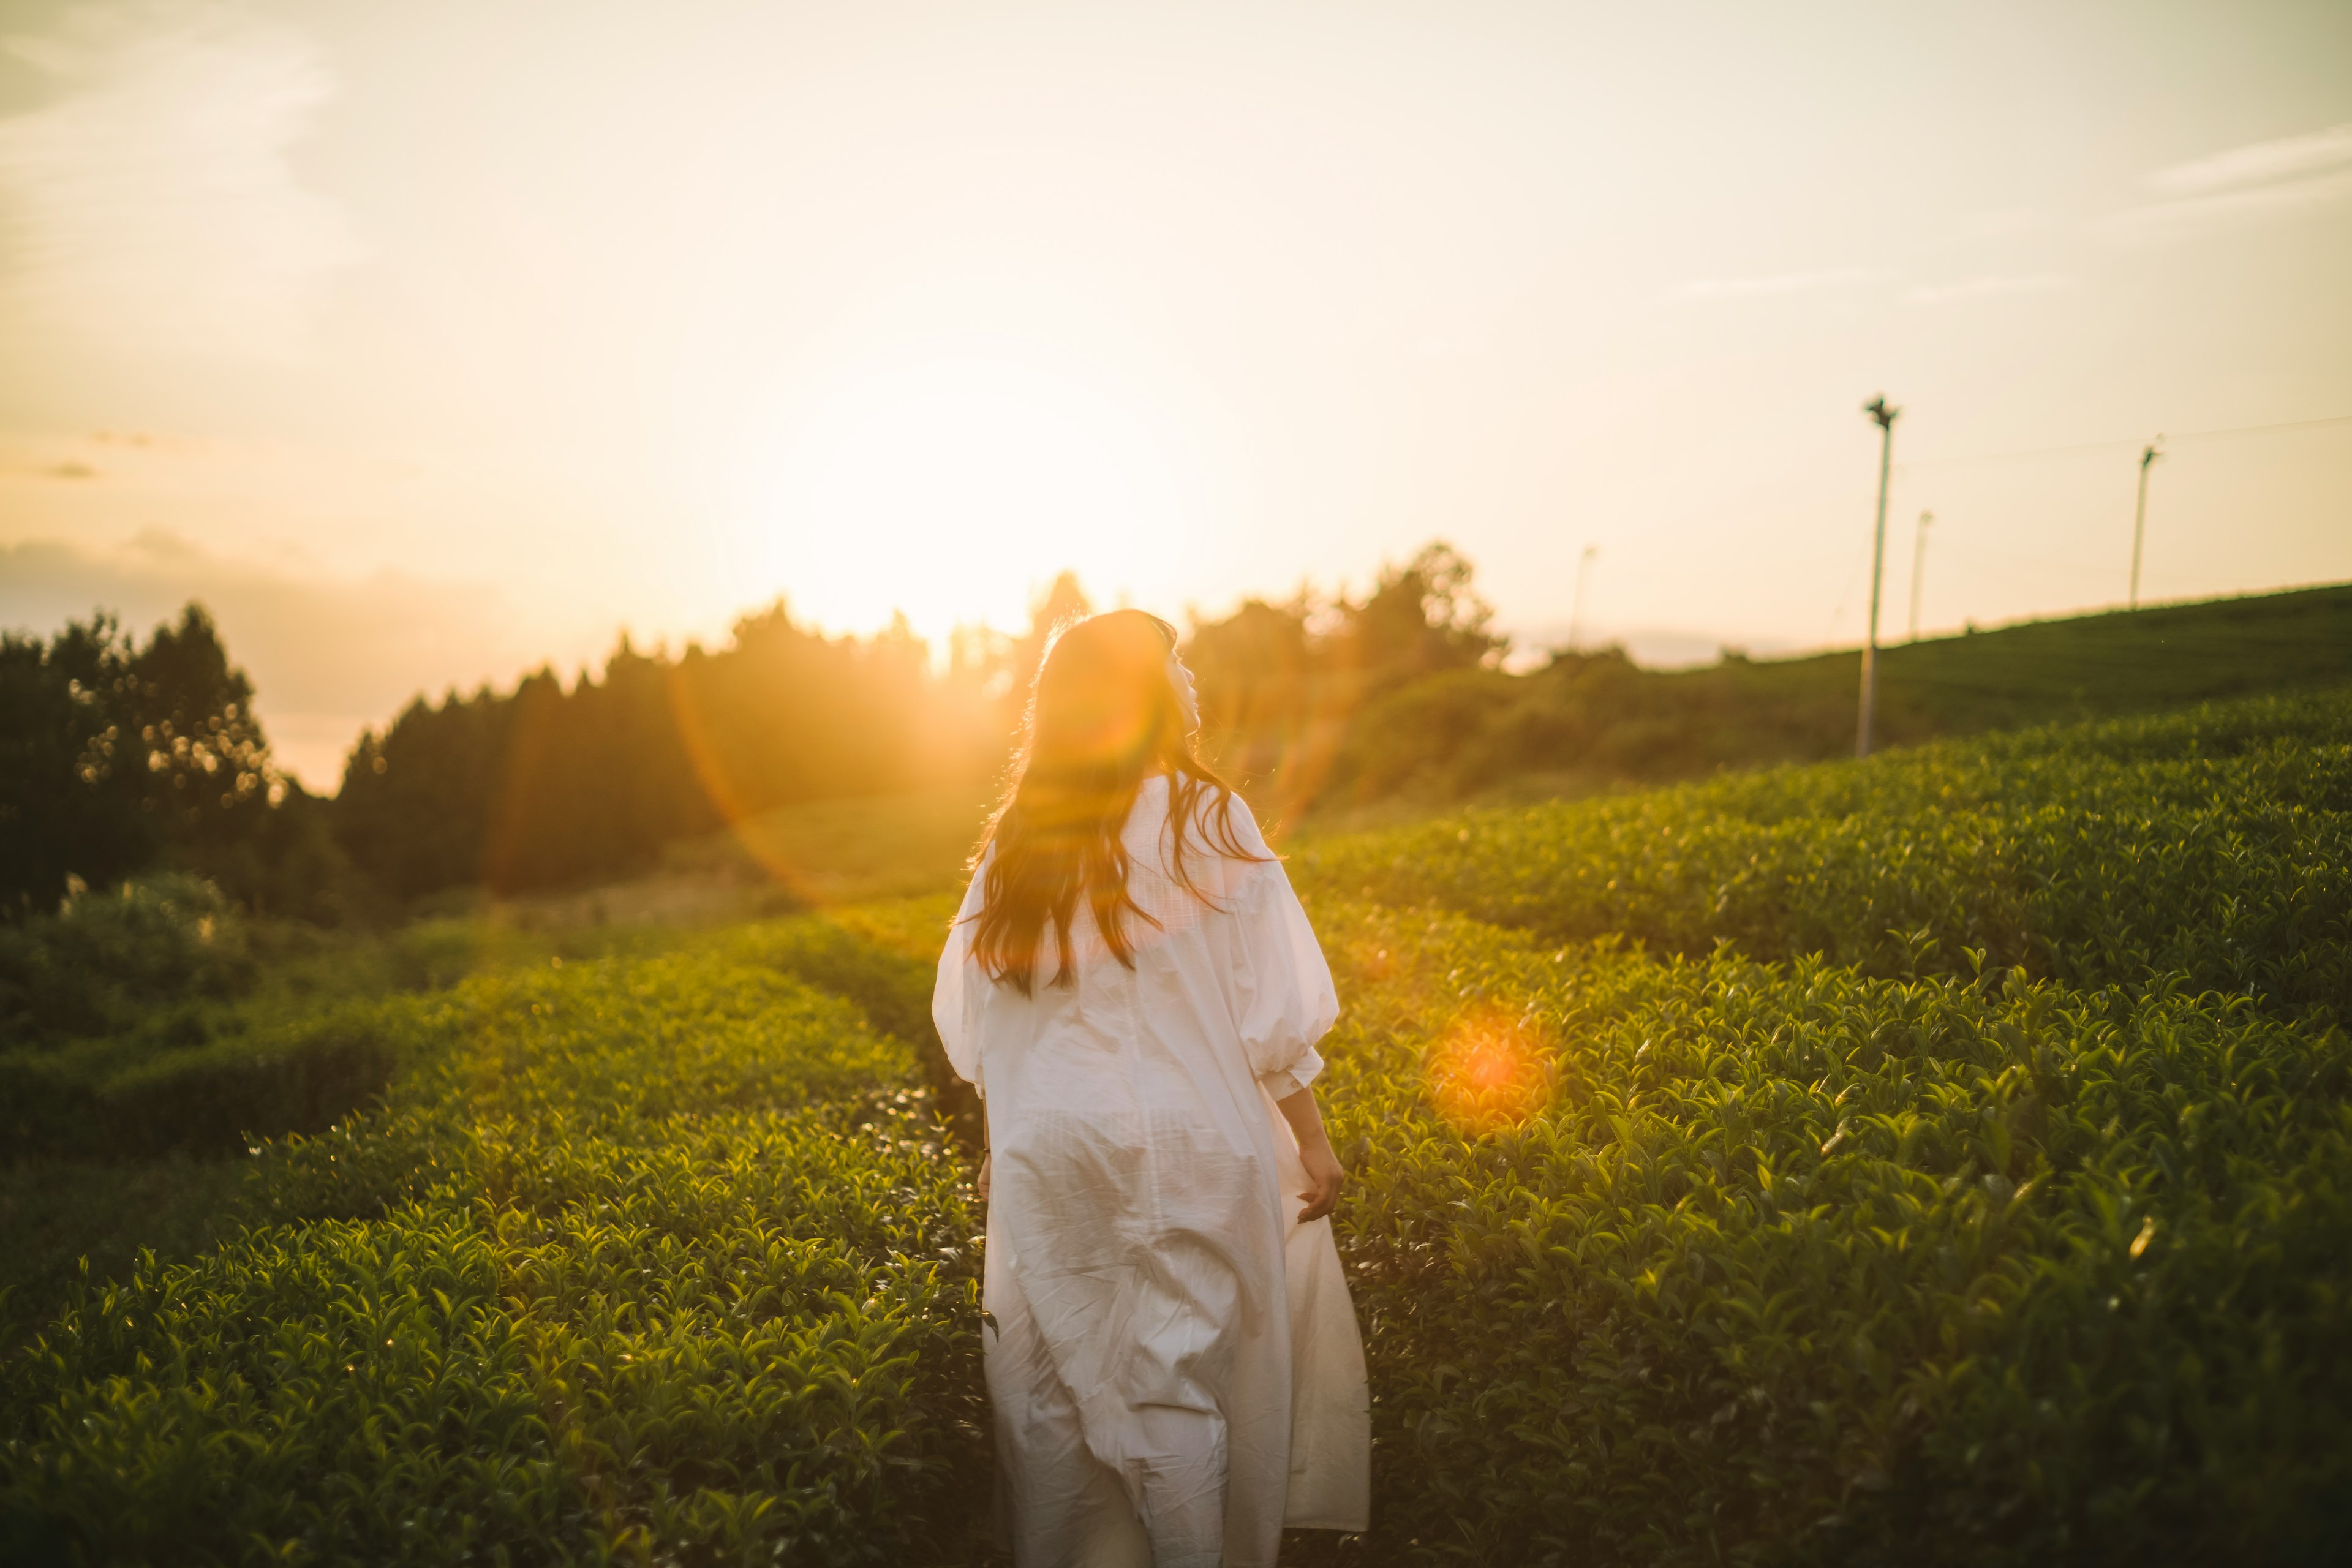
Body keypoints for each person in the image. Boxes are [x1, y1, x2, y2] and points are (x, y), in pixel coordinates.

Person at [933, 609, 1370, 1568]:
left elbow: (983, 1021)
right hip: (1189, 1141)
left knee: (1058, 1389)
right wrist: (1313, 1139)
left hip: (1051, 1149)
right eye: (1175, 662)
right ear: (1148, 691)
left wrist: (1005, 1145)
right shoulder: (1206, 815)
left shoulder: (1020, 838)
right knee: (1177, 1385)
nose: (1190, 678)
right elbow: (1273, 1006)